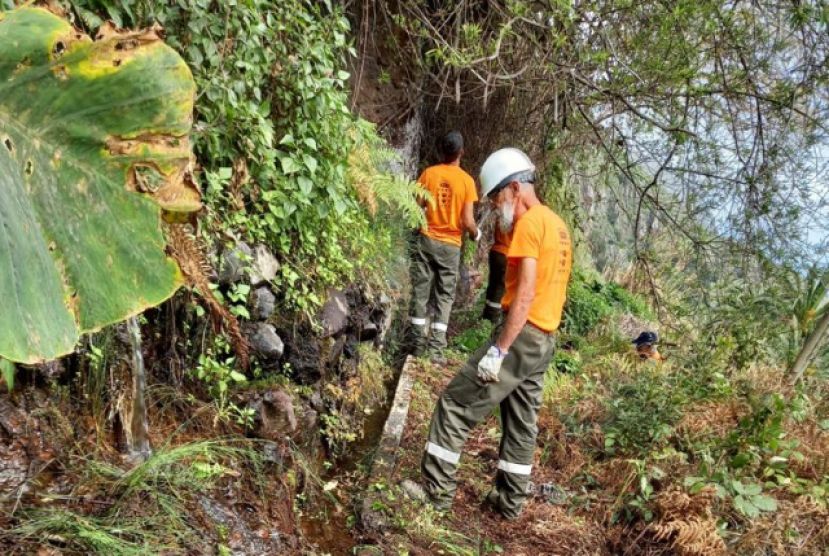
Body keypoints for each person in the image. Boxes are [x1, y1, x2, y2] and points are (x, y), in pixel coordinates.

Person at [407, 147, 573, 519]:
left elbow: (526, 293)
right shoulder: (557, 225)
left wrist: (499, 349)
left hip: (522, 334)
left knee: (454, 404)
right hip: (544, 340)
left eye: (498, 197)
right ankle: (508, 502)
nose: (497, 206)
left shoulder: (529, 225)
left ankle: (435, 496)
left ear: (515, 188)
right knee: (521, 423)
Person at [408, 131, 480, 358]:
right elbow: (468, 221)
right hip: (450, 246)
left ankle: (417, 346)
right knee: (445, 296)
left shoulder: (429, 174)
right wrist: (476, 234)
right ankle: (436, 349)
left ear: (442, 151)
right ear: (461, 152)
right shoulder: (467, 182)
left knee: (420, 290)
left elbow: (415, 205)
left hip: (426, 240)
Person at [481, 225, 511, 323]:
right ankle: (492, 318)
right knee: (500, 287)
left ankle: (486, 315)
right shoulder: (518, 217)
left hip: (495, 251)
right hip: (506, 253)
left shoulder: (504, 213)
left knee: (493, 284)